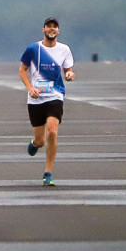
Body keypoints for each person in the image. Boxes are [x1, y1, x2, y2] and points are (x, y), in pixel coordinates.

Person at [18, 17, 75, 187]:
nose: (52, 29)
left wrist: (70, 75)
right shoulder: (33, 49)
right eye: (49, 26)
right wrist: (30, 88)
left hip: (55, 96)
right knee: (41, 140)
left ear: (58, 31)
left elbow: (68, 70)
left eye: (55, 27)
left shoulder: (64, 49)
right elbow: (22, 70)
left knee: (52, 131)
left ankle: (47, 173)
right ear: (43, 29)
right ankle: (35, 143)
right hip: (35, 99)